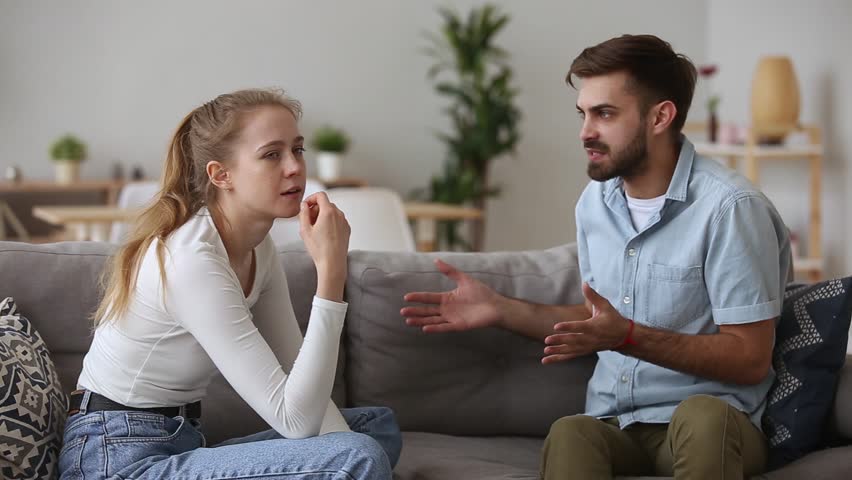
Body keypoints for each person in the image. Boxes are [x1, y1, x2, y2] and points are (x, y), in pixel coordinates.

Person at [402, 34, 791, 479]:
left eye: (605, 113)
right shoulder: (596, 203)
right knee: (572, 432)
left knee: (704, 418)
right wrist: (501, 308)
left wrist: (626, 335)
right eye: (583, 114)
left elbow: (749, 358)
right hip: (617, 422)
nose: (586, 131)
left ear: (660, 116)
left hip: (713, 425)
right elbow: (603, 318)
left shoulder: (730, 209)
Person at [59, 88, 401, 480]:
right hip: (117, 458)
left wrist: (339, 453)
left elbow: (297, 377)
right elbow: (295, 421)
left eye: (298, 149)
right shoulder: (191, 260)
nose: (294, 167)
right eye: (272, 154)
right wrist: (331, 273)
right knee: (358, 453)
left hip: (183, 440)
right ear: (222, 175)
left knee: (374, 427)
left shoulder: (259, 248)